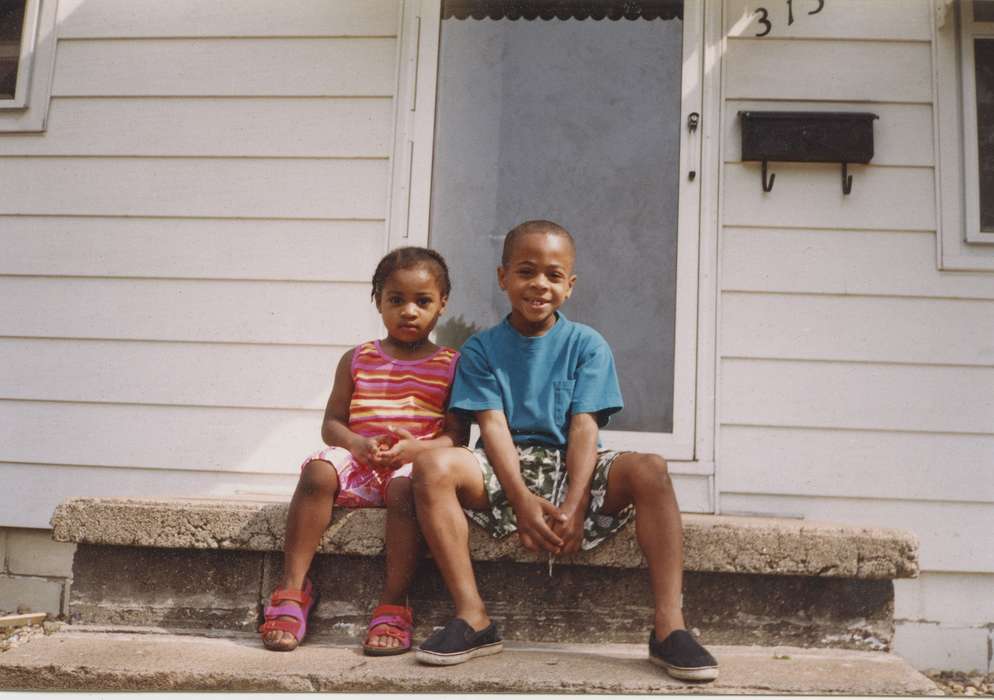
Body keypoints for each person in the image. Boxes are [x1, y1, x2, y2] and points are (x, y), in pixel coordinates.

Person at [409, 220, 718, 681]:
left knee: (651, 468)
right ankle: (473, 617)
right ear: (503, 277)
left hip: (578, 469)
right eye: (526, 271)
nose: (539, 284)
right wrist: (520, 500)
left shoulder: (586, 344)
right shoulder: (480, 350)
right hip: (505, 468)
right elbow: (491, 429)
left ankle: (669, 627)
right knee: (432, 462)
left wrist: (573, 507)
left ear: (569, 287)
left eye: (554, 276)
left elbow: (583, 428)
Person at [259, 246, 466, 655]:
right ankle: (293, 590)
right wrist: (356, 443)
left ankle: (393, 603)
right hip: (360, 459)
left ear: (442, 304)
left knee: (405, 491)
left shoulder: (451, 363)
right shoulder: (357, 358)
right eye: (396, 300)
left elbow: (456, 437)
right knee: (317, 472)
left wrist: (417, 451)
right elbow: (331, 424)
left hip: (412, 468)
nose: (409, 311)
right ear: (378, 302)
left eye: (422, 301)